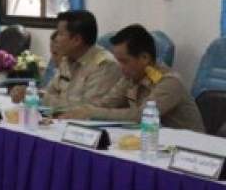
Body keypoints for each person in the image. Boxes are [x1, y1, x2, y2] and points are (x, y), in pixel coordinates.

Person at [59, 24, 204, 132]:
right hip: (153, 142)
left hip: (188, 151)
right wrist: (75, 112)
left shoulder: (169, 82)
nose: (120, 66)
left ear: (144, 58)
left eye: (124, 61)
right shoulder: (130, 77)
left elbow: (141, 116)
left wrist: (92, 113)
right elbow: (106, 103)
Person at [9, 9, 124, 111]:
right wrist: (31, 94)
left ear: (77, 40)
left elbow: (87, 110)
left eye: (60, 34)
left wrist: (40, 98)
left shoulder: (105, 66)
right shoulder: (67, 59)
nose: (56, 39)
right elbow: (50, 92)